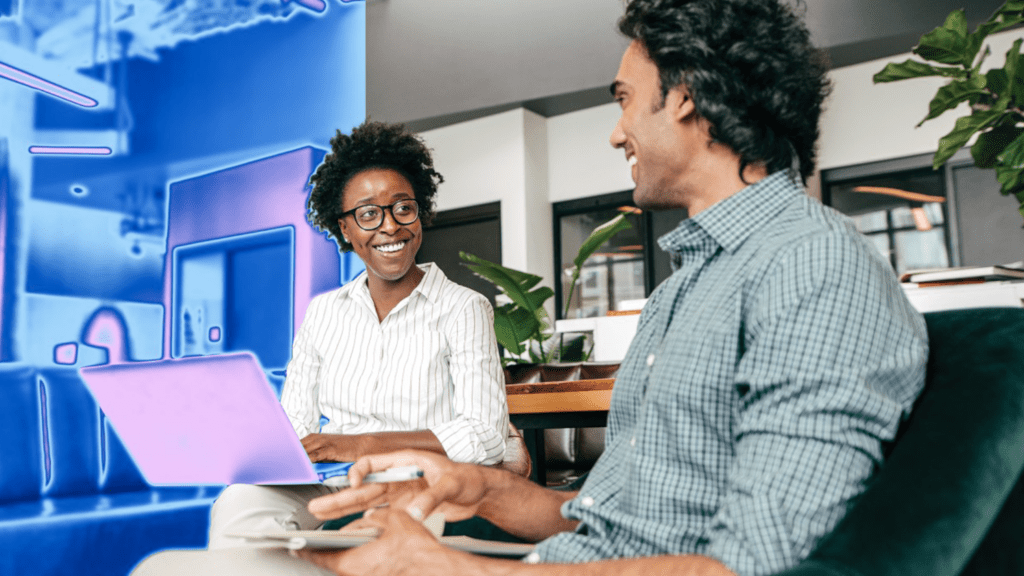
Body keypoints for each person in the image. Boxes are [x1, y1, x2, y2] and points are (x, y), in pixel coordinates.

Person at [133, 0, 928, 574]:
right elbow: (602, 517)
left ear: (684, 98)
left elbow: (751, 563)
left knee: (184, 572)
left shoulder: (813, 269)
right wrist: (472, 485)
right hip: (556, 557)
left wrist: (469, 571)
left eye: (623, 99)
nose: (616, 130)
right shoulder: (693, 285)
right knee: (219, 544)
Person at [204, 120, 510, 549]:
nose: (389, 226)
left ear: (420, 212)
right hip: (334, 482)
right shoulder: (325, 311)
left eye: (403, 207)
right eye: (368, 214)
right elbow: (296, 423)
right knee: (239, 507)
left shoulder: (463, 307)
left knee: (361, 535)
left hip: (419, 484)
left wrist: (360, 444)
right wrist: (266, 448)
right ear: (344, 229)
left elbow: (484, 435)